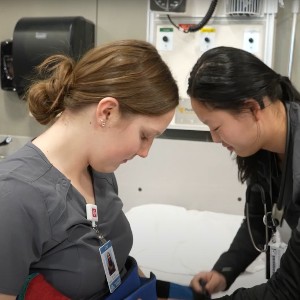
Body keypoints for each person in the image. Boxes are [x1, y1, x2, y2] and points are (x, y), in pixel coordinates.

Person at [0, 39, 179, 299]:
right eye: (144, 135)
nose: (144, 152)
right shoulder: (15, 196)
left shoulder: (101, 174)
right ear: (106, 112)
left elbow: (110, 259)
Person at [187, 46, 300, 299]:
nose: (215, 139)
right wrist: (225, 271)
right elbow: (259, 220)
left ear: (251, 108)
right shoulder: (266, 151)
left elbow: (290, 290)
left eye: (215, 127)